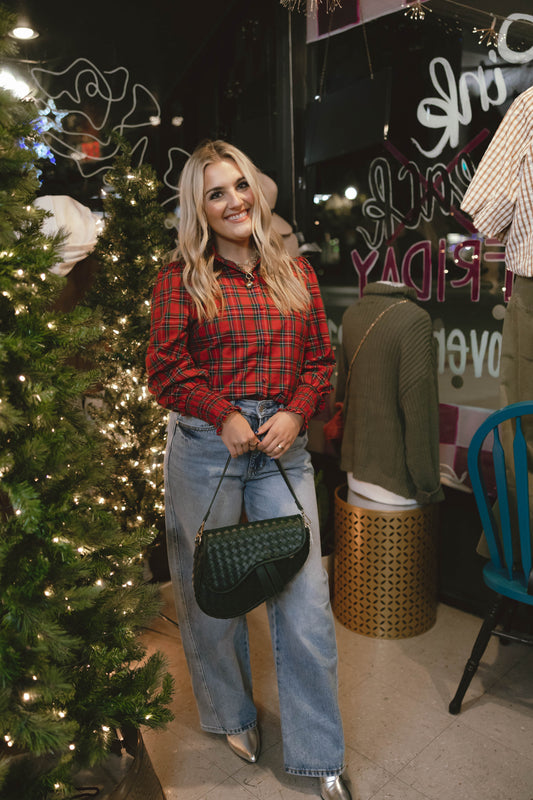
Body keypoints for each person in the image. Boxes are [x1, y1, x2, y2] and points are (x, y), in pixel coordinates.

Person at [146, 139, 351, 800]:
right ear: (198, 208)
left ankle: (319, 751)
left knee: (307, 604)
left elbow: (321, 359)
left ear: (253, 191)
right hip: (210, 444)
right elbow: (166, 368)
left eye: (238, 185)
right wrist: (220, 413)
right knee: (210, 592)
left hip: (282, 446)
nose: (232, 200)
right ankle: (230, 714)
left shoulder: (293, 269)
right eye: (215, 192)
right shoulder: (180, 275)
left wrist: (296, 412)